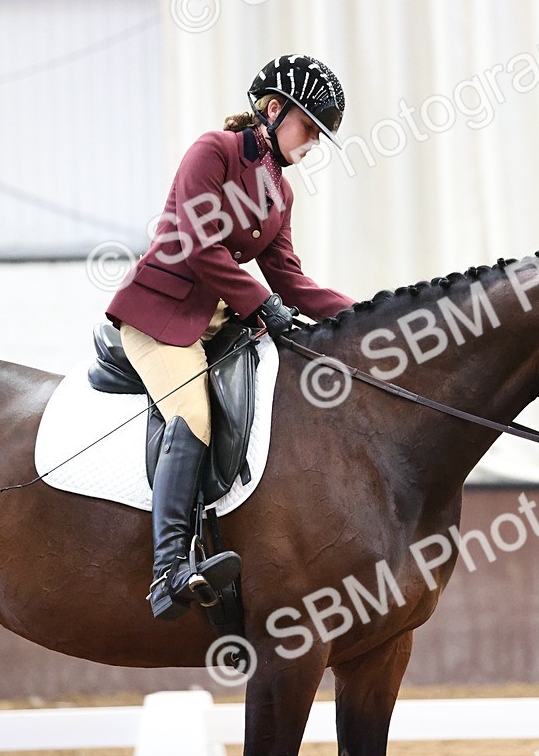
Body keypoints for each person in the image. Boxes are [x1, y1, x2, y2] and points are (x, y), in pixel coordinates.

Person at [106, 54, 356, 620]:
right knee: (192, 414)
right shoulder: (213, 151)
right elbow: (198, 244)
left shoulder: (280, 193)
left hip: (220, 319)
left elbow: (290, 279)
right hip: (160, 314)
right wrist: (261, 304)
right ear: (273, 109)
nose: (314, 142)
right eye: (310, 126)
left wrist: (365, 315)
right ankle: (169, 569)